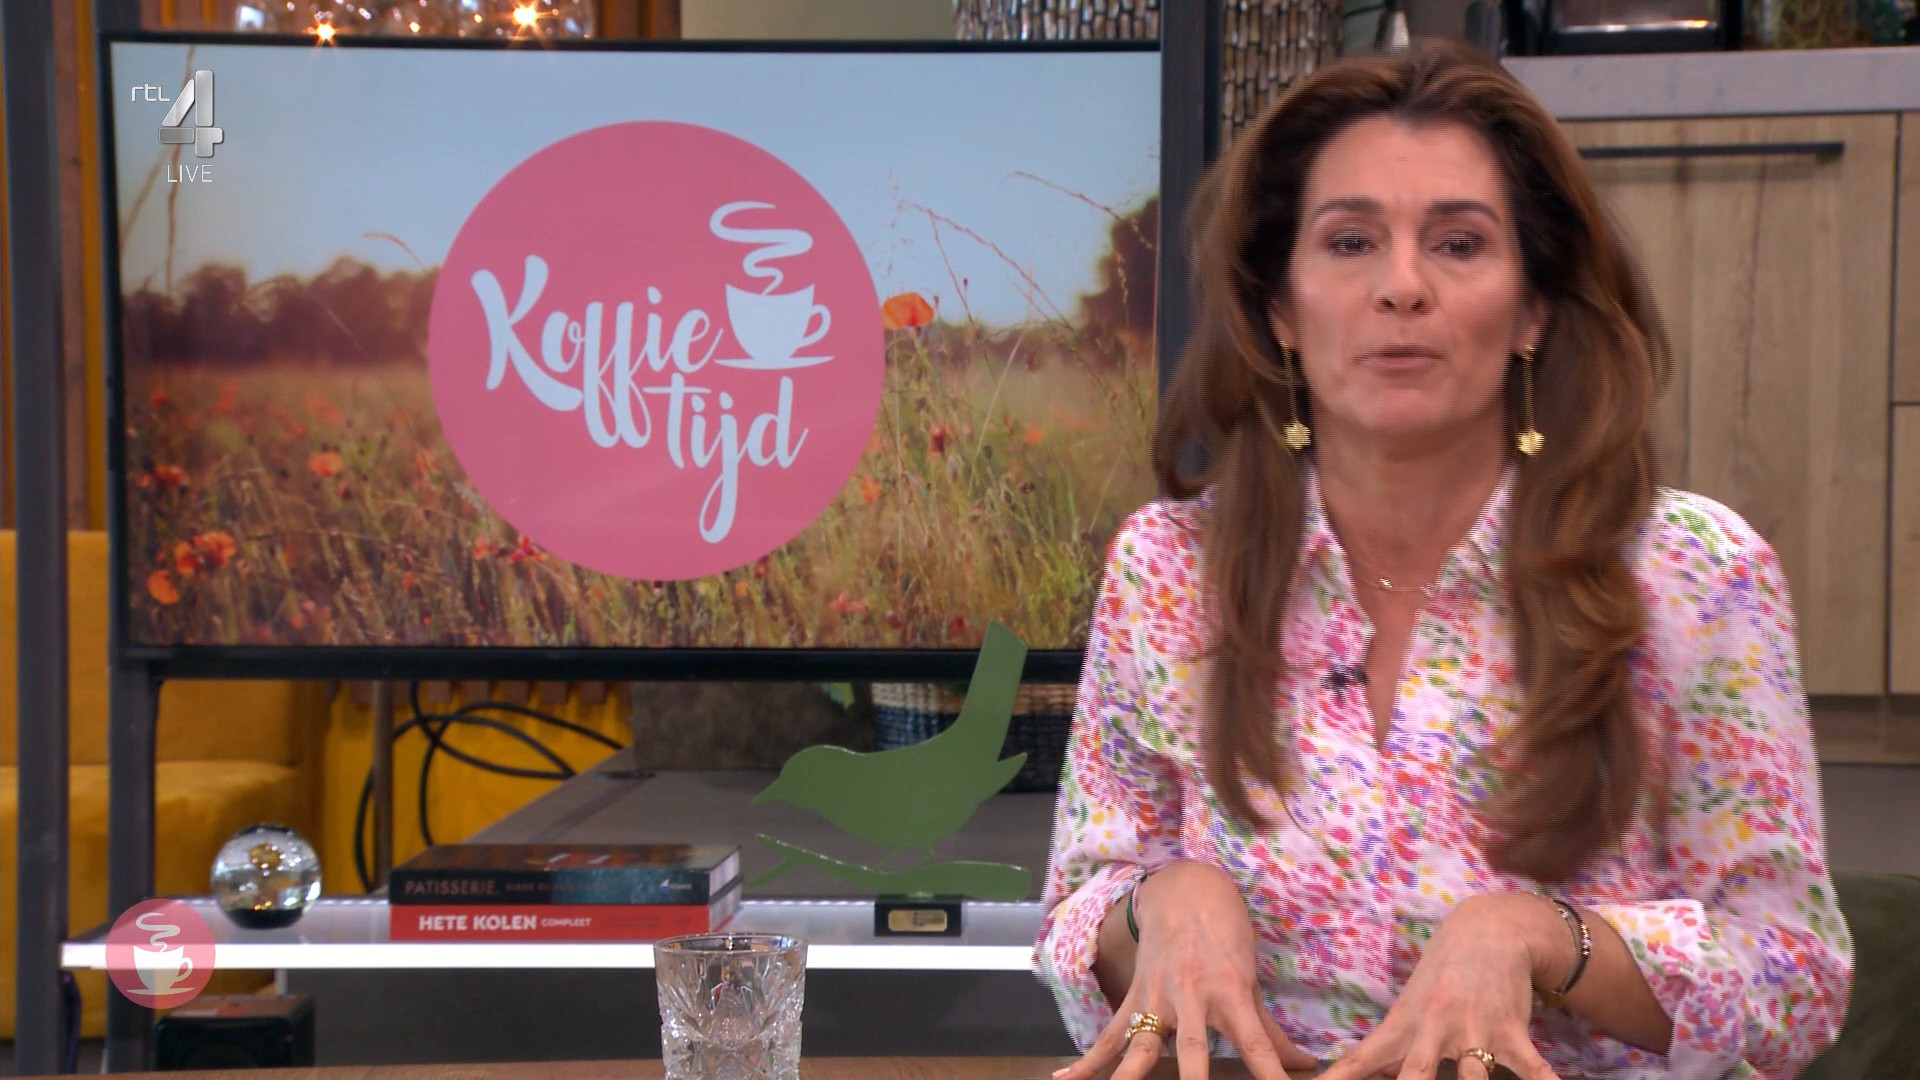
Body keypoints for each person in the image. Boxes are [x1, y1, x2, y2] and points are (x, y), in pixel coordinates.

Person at [1034, 37, 1853, 1080]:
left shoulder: (1696, 575)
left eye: (1459, 244)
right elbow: (1074, 923)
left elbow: (1796, 978)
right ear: (1279, 307)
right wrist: (1157, 903)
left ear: (1533, 307)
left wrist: (1547, 939)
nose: (1403, 286)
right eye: (1349, 242)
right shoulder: (1166, 569)